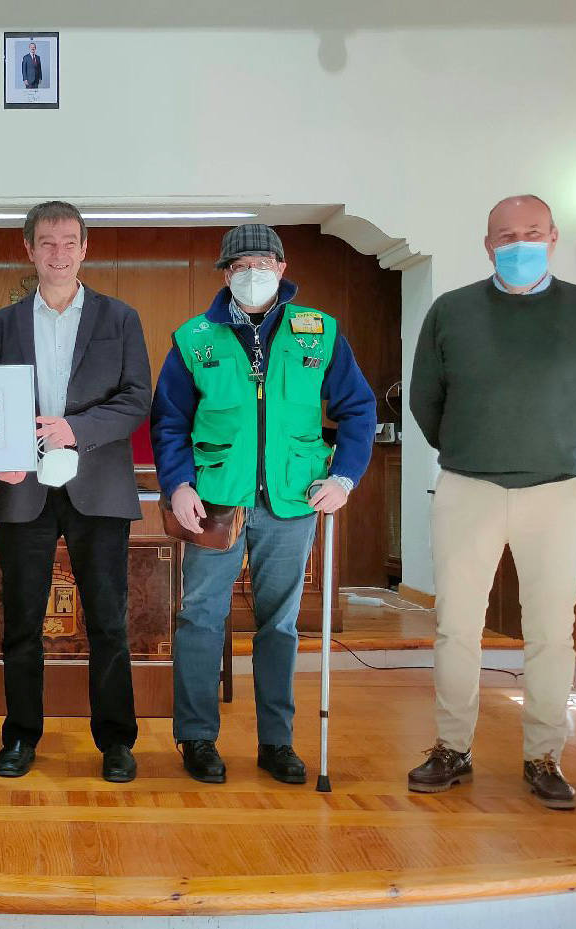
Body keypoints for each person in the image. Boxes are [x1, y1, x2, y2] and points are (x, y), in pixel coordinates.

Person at [407, 195, 576, 810]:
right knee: (456, 628)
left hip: (556, 493)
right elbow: (426, 400)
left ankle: (544, 756)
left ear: (554, 237)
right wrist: (469, 448)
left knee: (551, 634)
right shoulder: (452, 312)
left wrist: (572, 457)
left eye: (531, 232)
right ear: (488, 246)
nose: (519, 242)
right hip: (468, 489)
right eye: (506, 235)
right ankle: (451, 748)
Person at [151, 224, 376, 786]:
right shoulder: (194, 338)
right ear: (226, 274)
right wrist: (178, 484)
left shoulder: (318, 333)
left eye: (264, 262)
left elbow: (358, 409)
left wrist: (345, 477)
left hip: (292, 502)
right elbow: (169, 421)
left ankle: (278, 742)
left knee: (279, 626)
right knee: (200, 620)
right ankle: (197, 738)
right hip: (216, 502)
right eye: (241, 264)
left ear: (282, 267)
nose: (253, 272)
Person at [0, 201, 150, 783]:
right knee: (21, 622)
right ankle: (21, 736)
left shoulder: (120, 318)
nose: (58, 253)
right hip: (23, 490)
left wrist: (74, 430)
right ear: (29, 250)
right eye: (46, 243)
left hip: (96, 487)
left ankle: (116, 742)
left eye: (68, 242)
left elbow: (135, 400)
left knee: (108, 621)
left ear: (85, 249)